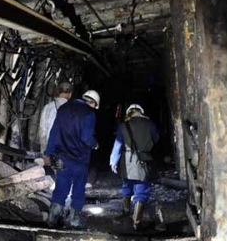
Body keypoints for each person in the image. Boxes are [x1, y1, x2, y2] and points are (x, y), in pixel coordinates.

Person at [44, 90, 101, 228]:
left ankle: (53, 218)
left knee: (61, 188)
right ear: (93, 103)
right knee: (78, 190)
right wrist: (95, 144)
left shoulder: (64, 108)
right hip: (80, 159)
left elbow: (54, 132)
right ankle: (74, 220)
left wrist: (48, 153)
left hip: (62, 157)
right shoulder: (89, 113)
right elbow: (86, 137)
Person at [110, 104, 159, 230]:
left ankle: (126, 212)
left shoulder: (123, 126)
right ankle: (136, 222)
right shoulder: (150, 124)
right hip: (144, 159)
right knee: (142, 189)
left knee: (127, 186)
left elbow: (118, 144)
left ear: (129, 113)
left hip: (126, 161)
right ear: (141, 112)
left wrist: (113, 161)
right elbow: (156, 139)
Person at [38, 81, 73, 151]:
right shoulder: (73, 110)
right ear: (70, 94)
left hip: (47, 149)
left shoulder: (47, 107)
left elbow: (42, 132)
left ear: (58, 92)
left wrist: (44, 150)